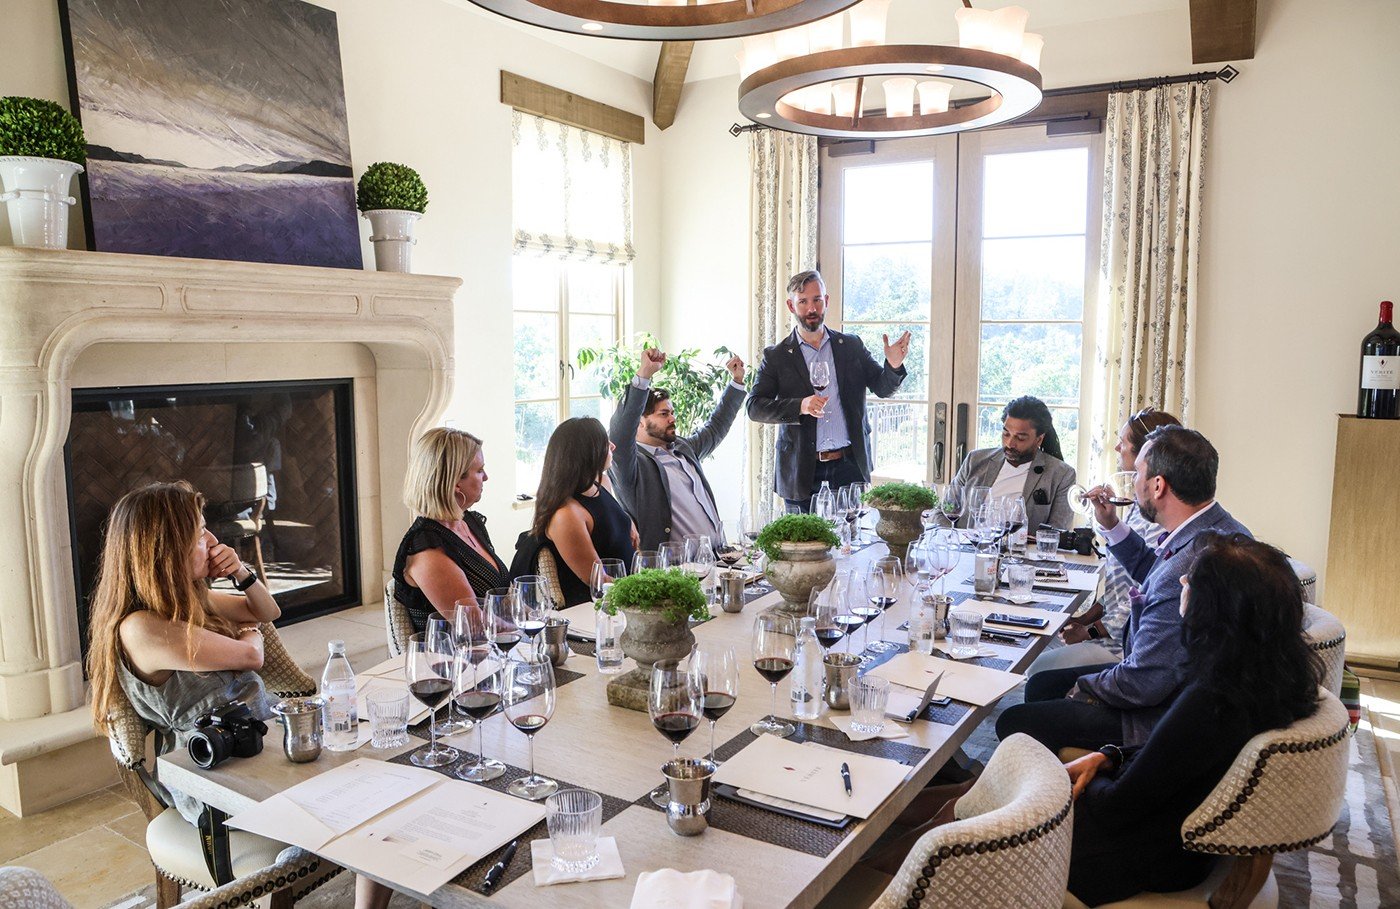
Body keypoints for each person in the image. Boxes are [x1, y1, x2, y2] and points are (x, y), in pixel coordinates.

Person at [865, 535, 1322, 907]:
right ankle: (894, 841)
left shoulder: (1211, 699)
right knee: (984, 789)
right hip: (1164, 837)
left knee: (976, 807)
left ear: (1215, 609)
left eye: (1191, 582)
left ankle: (882, 883)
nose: (1181, 581)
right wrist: (1108, 755)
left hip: (1128, 857)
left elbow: (1121, 806)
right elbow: (1170, 760)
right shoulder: (1267, 679)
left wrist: (1056, 787)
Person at [995, 426, 1251, 752]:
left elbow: (1143, 683)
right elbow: (1154, 574)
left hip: (1161, 715)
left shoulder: (1190, 568)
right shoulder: (1212, 527)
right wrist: (1111, 525)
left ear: (1158, 485)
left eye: (1139, 472)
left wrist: (1082, 688)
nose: (1133, 480)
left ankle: (1059, 789)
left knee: (1014, 721)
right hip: (1175, 684)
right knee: (1045, 683)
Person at [87, 481, 279, 829]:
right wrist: (249, 632)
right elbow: (252, 656)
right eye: (201, 532)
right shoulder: (140, 628)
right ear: (167, 548)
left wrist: (240, 573)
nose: (213, 542)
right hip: (212, 779)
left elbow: (268, 612)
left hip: (254, 745)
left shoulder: (185, 601)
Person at [1028, 407, 1182, 674]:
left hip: (1124, 645)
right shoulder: (1139, 505)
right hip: (1110, 629)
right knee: (1040, 637)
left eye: (1123, 443)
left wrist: (1090, 631)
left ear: (1146, 454)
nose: (1116, 448)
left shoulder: (1161, 521)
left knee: (1038, 669)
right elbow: (1121, 587)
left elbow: (1145, 594)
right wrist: (1085, 618)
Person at [746, 269, 911, 512]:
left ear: (827, 301)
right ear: (791, 306)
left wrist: (894, 365)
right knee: (803, 549)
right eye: (803, 302)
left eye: (817, 300)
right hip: (800, 473)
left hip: (848, 468)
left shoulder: (851, 346)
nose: (811, 308)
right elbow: (754, 407)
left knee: (850, 546)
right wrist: (800, 405)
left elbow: (882, 387)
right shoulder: (776, 356)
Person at [608, 345, 746, 551]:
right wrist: (644, 374)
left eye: (672, 412)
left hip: (716, 560)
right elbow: (620, 433)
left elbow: (716, 427)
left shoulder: (682, 448)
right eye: (663, 414)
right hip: (674, 571)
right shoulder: (631, 465)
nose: (672, 418)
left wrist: (736, 382)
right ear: (640, 422)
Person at [392, 427, 509, 634]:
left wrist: (542, 617)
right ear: (455, 481)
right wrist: (528, 627)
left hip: (494, 649)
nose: (486, 477)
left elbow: (503, 598)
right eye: (480, 470)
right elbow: (474, 625)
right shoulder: (427, 550)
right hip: (452, 660)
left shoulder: (468, 522)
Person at [526, 417, 638, 606]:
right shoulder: (566, 514)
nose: (612, 446)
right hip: (596, 608)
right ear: (587, 454)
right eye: (604, 442)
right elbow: (598, 581)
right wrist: (647, 590)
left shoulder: (602, 483)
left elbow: (610, 522)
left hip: (627, 593)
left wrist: (628, 521)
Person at [948, 395, 1076, 530]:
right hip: (969, 546)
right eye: (1006, 434)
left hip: (1021, 549)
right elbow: (944, 510)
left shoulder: (1062, 474)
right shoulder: (975, 460)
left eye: (1020, 438)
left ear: (1039, 439)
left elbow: (1058, 531)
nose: (1010, 443)